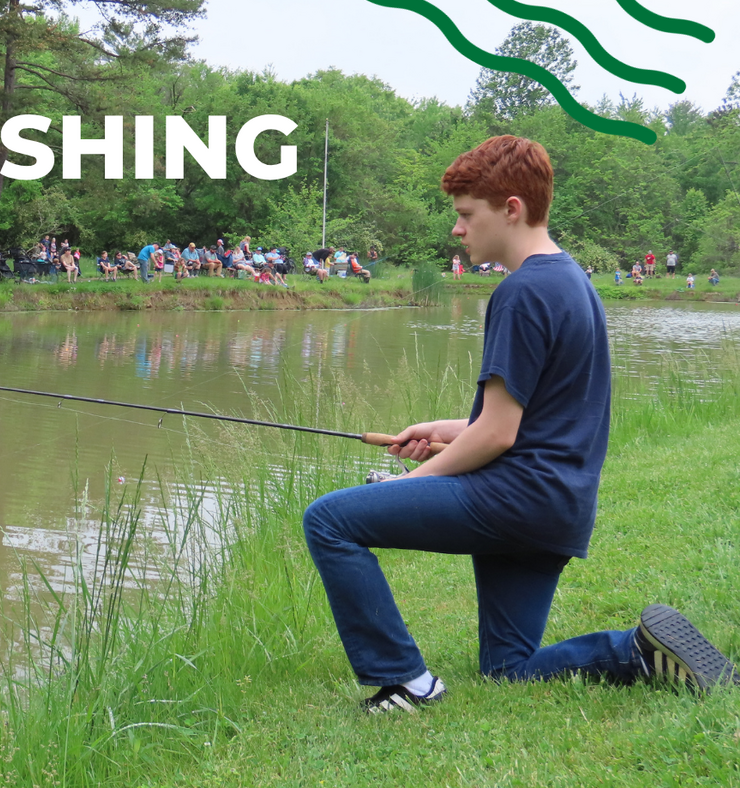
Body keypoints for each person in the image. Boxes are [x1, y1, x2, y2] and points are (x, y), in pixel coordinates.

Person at [302, 134, 737, 715]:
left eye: (465, 214)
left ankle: (404, 682)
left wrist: (409, 482)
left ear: (511, 208)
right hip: (556, 505)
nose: (457, 230)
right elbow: (524, 420)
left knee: (330, 520)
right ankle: (635, 652)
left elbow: (499, 435)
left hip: (514, 500)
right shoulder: (572, 281)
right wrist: (441, 429)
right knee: (509, 668)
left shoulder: (521, 291)